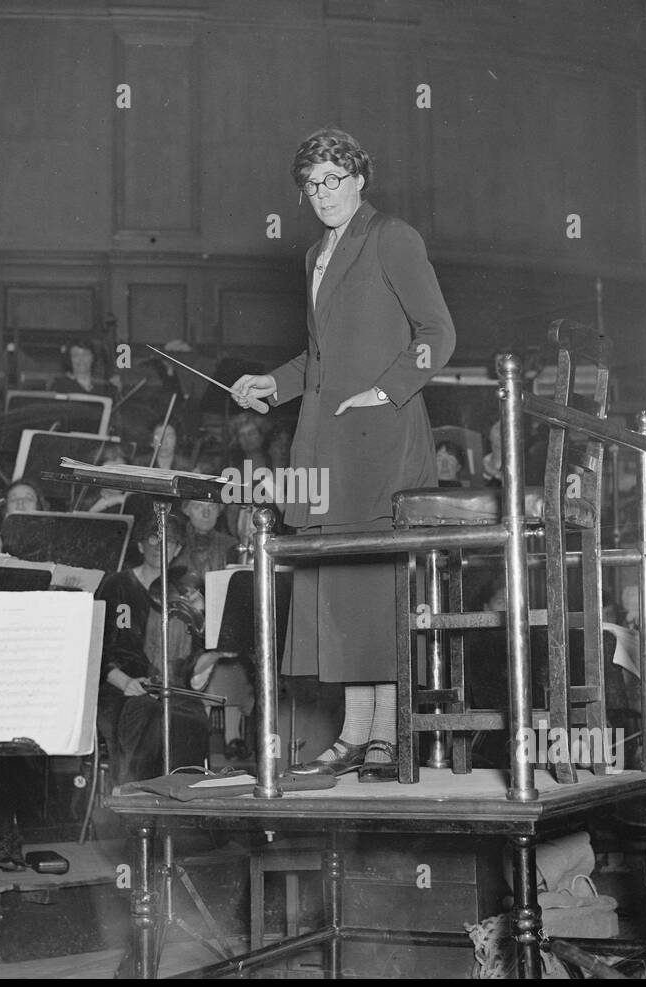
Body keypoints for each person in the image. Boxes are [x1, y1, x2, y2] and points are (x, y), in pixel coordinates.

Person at [231, 128, 455, 778]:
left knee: (375, 582)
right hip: (326, 444)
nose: (323, 192)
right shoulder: (314, 256)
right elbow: (319, 358)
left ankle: (386, 731)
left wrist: (388, 389)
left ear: (360, 179)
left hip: (382, 440)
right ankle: (355, 730)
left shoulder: (392, 237)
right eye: (312, 183)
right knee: (340, 586)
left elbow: (438, 332)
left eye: (334, 178)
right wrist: (273, 384)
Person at [95, 514, 212, 783]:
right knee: (146, 716)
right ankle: (137, 801)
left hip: (173, 689)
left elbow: (195, 657)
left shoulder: (187, 592)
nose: (161, 545)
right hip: (121, 689)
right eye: (154, 538)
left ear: (178, 549)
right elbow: (99, 649)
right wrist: (125, 682)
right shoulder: (117, 585)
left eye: (170, 541)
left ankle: (184, 802)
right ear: (140, 545)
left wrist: (202, 618)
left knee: (186, 719)